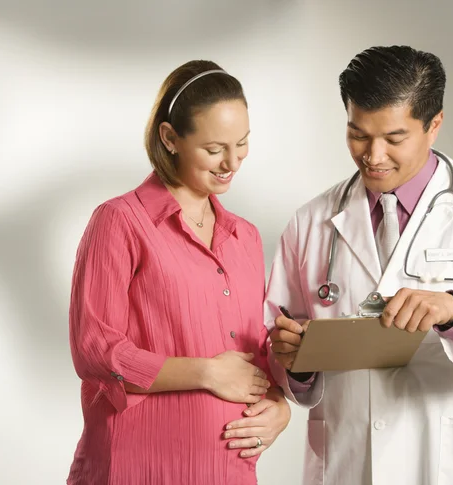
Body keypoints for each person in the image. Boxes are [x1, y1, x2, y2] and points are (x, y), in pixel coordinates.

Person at [265, 45, 453, 485]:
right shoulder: (311, 222)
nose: (373, 155)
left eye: (394, 138)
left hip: (450, 465)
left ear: (434, 124)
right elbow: (277, 341)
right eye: (358, 134)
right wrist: (294, 362)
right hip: (348, 463)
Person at [67, 60, 290, 485]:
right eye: (214, 149)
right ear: (170, 137)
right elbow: (94, 348)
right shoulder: (119, 222)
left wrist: (279, 405)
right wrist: (205, 371)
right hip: (138, 467)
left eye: (242, 143)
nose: (232, 162)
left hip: (227, 469)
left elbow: (256, 351)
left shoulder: (245, 237)